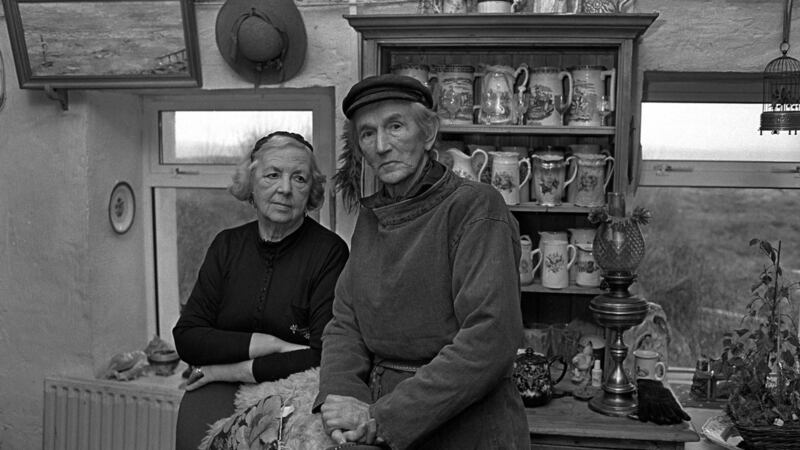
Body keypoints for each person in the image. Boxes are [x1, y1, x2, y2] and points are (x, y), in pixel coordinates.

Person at [314, 74, 529, 449]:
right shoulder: (372, 217)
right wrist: (342, 399)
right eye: (367, 133)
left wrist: (381, 417)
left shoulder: (476, 207)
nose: (381, 146)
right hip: (378, 422)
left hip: (466, 430)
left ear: (428, 133)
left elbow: (489, 339)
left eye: (395, 126)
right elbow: (346, 323)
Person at [172, 131, 349, 450]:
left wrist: (226, 370)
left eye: (299, 178)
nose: (285, 189)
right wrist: (272, 344)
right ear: (250, 183)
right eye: (272, 175)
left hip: (294, 402)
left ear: (311, 191)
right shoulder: (226, 245)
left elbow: (323, 354)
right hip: (213, 397)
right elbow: (187, 338)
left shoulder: (329, 252)